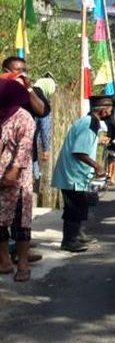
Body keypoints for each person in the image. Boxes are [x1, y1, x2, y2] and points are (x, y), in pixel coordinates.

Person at [51, 95, 113, 252]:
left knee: (79, 204)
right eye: (110, 109)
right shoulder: (90, 124)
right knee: (74, 206)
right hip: (73, 174)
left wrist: (97, 142)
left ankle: (77, 235)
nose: (111, 112)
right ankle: (69, 240)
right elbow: (79, 151)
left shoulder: (88, 122)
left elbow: (81, 142)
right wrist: (97, 166)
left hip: (74, 173)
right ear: (104, 110)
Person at [0, 79, 37, 281]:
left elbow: (24, 148)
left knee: (20, 225)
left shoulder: (24, 118)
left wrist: (13, 171)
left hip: (18, 179)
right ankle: (4, 261)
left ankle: (22, 264)